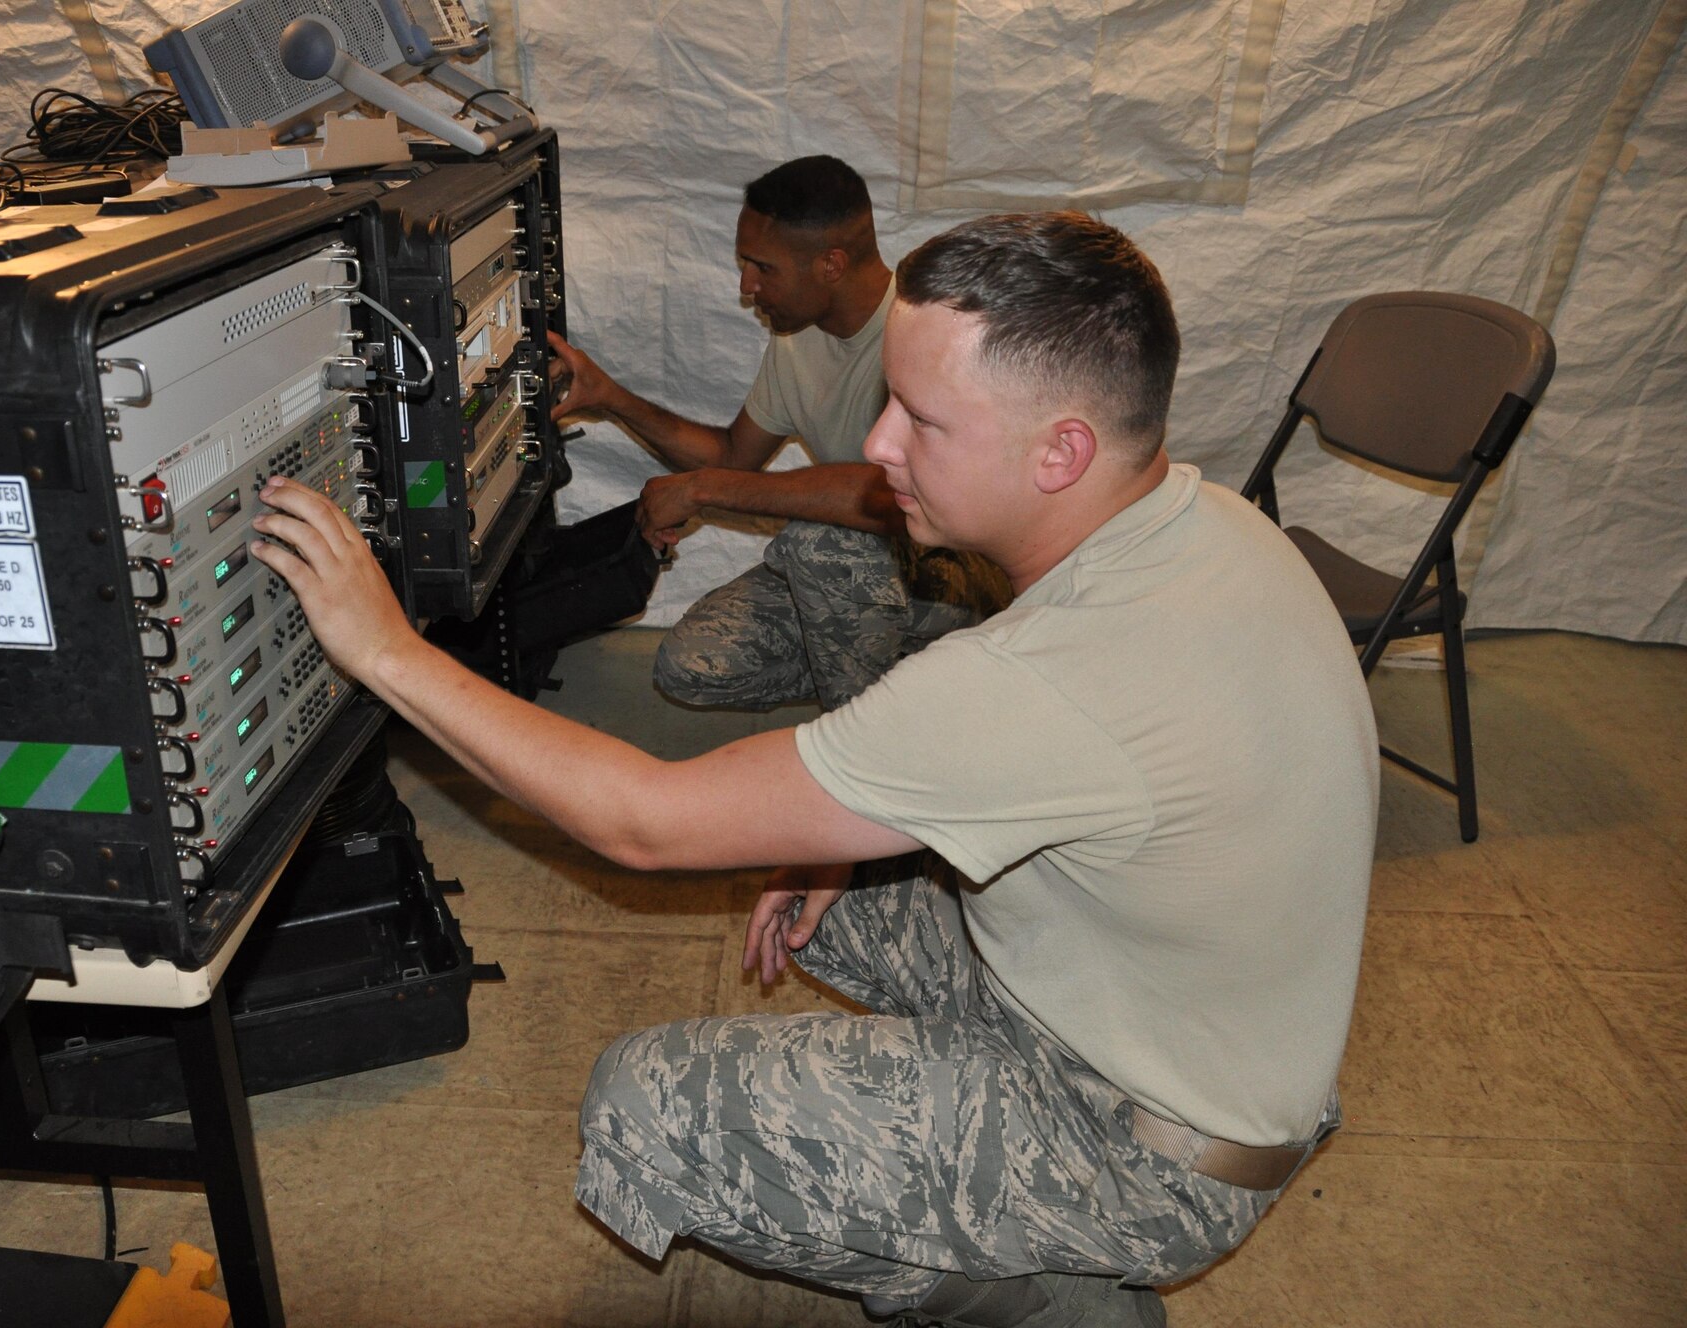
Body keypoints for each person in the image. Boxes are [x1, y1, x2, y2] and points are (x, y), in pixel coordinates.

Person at [249, 211, 1378, 1327]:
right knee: (816, 891)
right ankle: (968, 1146)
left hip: (1155, 1153)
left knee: (647, 1107)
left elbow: (644, 820)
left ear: (1060, 450)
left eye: (922, 419)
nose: (878, 444)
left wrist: (382, 648)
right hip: (1184, 1028)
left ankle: (1048, 1301)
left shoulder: (1048, 678)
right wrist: (845, 825)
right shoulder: (1211, 520)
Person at [548, 155, 1008, 714]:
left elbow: (885, 496)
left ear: (831, 264)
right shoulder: (799, 341)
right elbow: (732, 457)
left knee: (818, 547)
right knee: (693, 665)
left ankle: (864, 748)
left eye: (762, 267)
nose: (748, 286)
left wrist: (700, 489)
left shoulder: (924, 333)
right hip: (867, 576)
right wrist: (609, 397)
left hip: (964, 571)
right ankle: (923, 690)